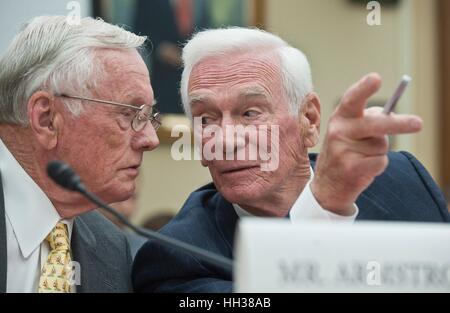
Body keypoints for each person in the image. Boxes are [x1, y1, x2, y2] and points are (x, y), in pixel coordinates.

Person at [132, 27, 450, 293]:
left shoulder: (402, 180)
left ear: (309, 120)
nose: (225, 140)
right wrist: (323, 204)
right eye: (206, 118)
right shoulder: (176, 257)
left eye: (250, 113)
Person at [0, 16, 160, 293]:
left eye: (149, 117)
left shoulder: (111, 245)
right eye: (129, 114)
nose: (151, 139)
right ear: (47, 118)